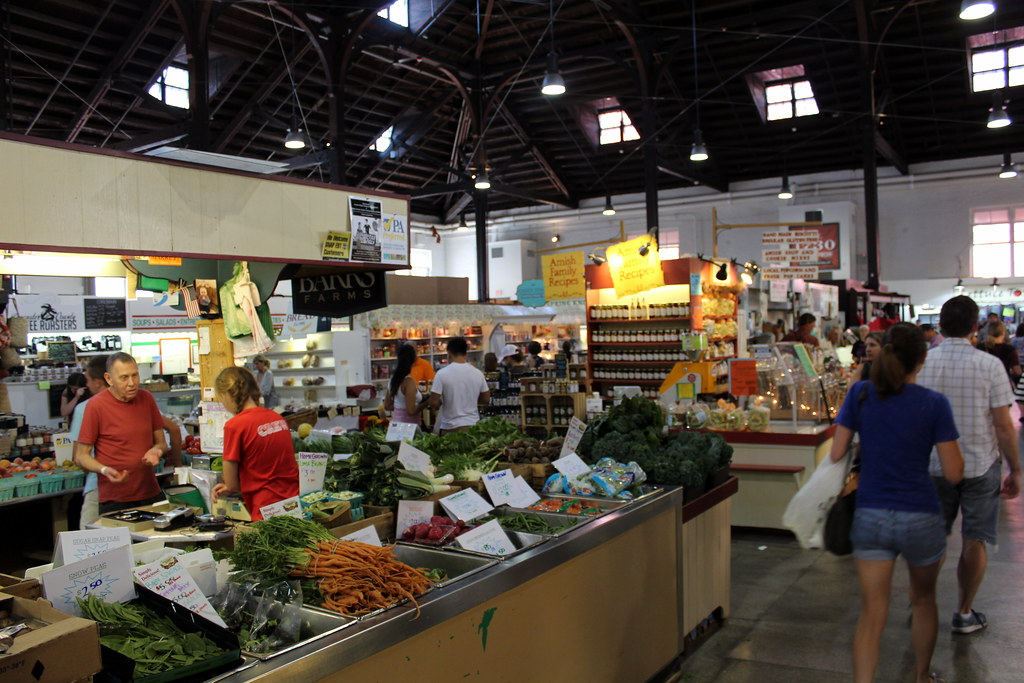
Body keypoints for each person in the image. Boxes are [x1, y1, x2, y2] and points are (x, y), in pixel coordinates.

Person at [830, 323, 964, 683]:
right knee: (923, 601)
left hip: (871, 514)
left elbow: (837, 453)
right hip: (920, 514)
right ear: (921, 360)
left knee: (872, 612)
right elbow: (953, 472)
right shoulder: (934, 404)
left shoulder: (859, 394)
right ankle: (921, 676)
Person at [917, 295, 1022, 635]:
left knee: (932, 538)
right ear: (975, 326)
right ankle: (964, 612)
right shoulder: (989, 365)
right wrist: (1015, 468)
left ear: (940, 326)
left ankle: (922, 605)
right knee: (974, 538)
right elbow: (1004, 425)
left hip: (933, 465)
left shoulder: (922, 364)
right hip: (979, 463)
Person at [74, 352, 169, 515]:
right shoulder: (96, 406)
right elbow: (81, 456)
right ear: (109, 379)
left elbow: (161, 443)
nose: (132, 383)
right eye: (124, 378)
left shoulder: (146, 398)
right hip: (115, 499)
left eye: (135, 375)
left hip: (151, 494)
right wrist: (104, 470)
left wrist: (157, 450)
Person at [211, 366, 299, 521]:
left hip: (266, 509)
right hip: (292, 504)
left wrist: (227, 488)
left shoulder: (235, 426)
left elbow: (232, 484)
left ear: (227, 395)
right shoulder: (277, 418)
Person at [427, 336, 490, 434]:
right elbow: (486, 399)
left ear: (449, 354)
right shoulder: (478, 373)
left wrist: (443, 401)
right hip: (473, 426)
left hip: (450, 427)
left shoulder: (442, 374)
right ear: (466, 353)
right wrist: (470, 400)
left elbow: (433, 403)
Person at [383, 344, 425, 426]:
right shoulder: (409, 382)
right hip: (409, 427)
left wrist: (400, 410)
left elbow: (387, 406)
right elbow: (411, 411)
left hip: (395, 424)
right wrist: (427, 403)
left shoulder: (393, 380)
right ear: (414, 360)